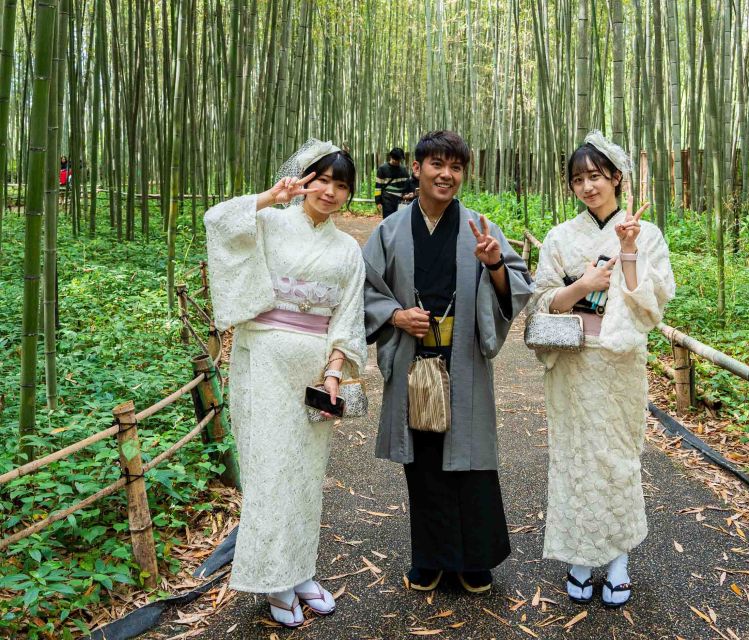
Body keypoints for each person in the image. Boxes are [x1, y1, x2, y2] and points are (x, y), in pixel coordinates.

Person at [204, 139, 367, 628]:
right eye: (322, 179)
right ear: (304, 179)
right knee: (270, 471)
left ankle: (299, 572)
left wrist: (336, 367)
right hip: (263, 360)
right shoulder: (271, 222)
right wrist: (267, 199)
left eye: (341, 185)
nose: (330, 191)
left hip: (314, 371)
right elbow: (216, 221)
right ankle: (272, 579)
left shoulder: (347, 248)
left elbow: (348, 311)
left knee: (304, 476)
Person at [363, 130, 534, 594]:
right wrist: (396, 315)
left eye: (456, 167)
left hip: (464, 360)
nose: (446, 174)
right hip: (415, 360)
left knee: (473, 460)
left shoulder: (480, 226)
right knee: (424, 462)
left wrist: (495, 264)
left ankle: (475, 559)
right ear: (415, 169)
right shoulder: (389, 230)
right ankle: (431, 558)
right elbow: (363, 290)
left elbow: (517, 283)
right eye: (437, 164)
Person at [528, 131, 675, 608]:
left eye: (595, 176)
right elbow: (541, 301)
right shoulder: (559, 236)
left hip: (619, 364)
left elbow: (651, 307)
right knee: (573, 458)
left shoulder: (645, 232)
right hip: (572, 361)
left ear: (616, 177)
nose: (587, 186)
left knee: (618, 459)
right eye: (578, 179)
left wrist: (629, 249)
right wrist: (584, 284)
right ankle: (578, 558)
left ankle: (617, 562)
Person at [375, 147, 411, 218]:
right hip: (387, 199)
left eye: (399, 160)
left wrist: (407, 195)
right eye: (396, 159)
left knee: (399, 222)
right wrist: (378, 202)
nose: (397, 161)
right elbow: (378, 187)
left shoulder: (403, 170)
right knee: (388, 221)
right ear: (391, 157)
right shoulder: (382, 169)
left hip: (400, 200)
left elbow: (408, 185)